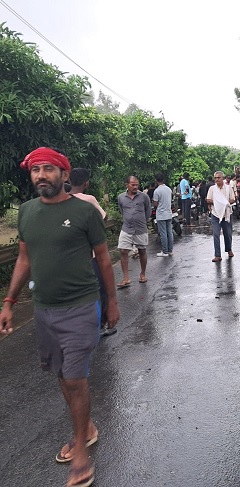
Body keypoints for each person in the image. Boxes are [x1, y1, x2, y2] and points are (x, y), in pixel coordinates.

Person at [0, 147, 119, 487]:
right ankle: (88, 429)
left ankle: (81, 452)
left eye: (48, 169)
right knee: (62, 375)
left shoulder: (84, 211)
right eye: (35, 170)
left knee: (75, 378)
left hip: (81, 306)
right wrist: (9, 302)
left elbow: (103, 258)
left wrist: (111, 302)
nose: (41, 175)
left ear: (64, 175)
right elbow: (24, 259)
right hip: (44, 309)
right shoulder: (27, 211)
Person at [68, 168, 116, 338]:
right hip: (92, 255)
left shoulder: (62, 200)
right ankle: (101, 325)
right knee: (100, 289)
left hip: (71, 258)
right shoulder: (89, 199)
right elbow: (103, 216)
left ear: (68, 180)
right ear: (86, 183)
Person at [117, 175, 151, 287]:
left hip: (140, 228)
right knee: (123, 250)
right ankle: (126, 278)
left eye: (137, 185)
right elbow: (122, 211)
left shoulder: (144, 197)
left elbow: (148, 211)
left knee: (142, 251)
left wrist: (141, 220)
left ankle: (143, 274)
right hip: (126, 228)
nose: (135, 187)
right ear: (126, 185)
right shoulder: (121, 197)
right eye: (133, 185)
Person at [206, 171, 236, 262]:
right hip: (215, 214)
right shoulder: (212, 188)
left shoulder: (228, 188)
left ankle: (229, 250)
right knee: (216, 234)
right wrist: (218, 203)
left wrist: (225, 203)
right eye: (215, 178)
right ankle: (217, 255)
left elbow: (233, 199)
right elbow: (208, 199)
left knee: (228, 234)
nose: (217, 179)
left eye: (218, 178)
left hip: (226, 214)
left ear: (222, 178)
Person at [152, 173, 174, 257]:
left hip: (161, 214)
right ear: (163, 179)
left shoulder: (157, 191)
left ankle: (165, 251)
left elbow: (155, 204)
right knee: (169, 232)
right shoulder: (169, 189)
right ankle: (170, 250)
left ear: (156, 180)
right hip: (169, 213)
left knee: (163, 233)